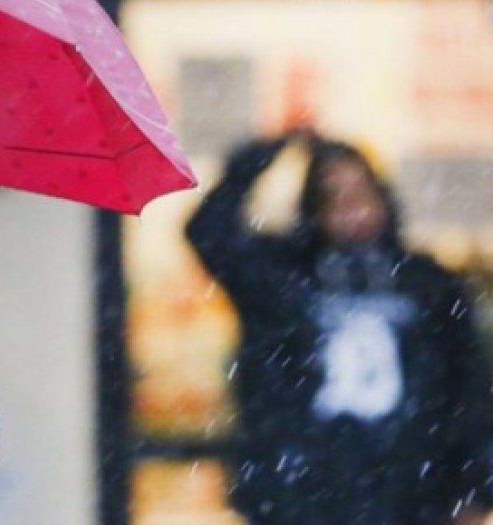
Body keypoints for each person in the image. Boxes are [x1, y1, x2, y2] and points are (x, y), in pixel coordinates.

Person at [186, 131, 493, 525]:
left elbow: (470, 391)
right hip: (306, 497)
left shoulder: (428, 286)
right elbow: (210, 233)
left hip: (410, 499)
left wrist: (474, 489)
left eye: (360, 192)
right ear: (314, 210)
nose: (351, 208)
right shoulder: (285, 279)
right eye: (333, 196)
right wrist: (271, 152)